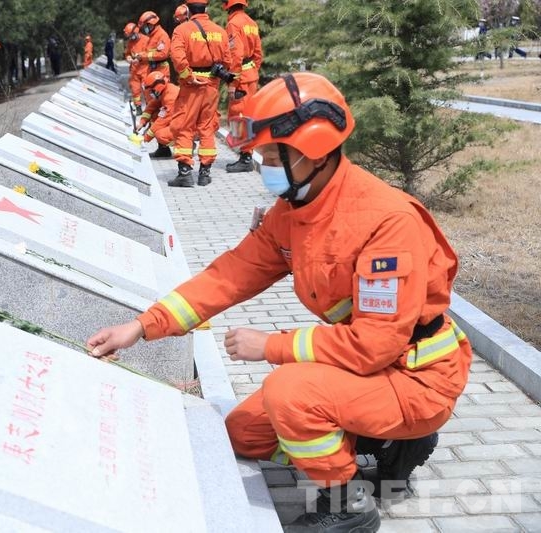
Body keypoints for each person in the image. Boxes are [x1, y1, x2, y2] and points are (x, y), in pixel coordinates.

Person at [87, 72, 472, 533]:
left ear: (316, 151)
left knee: (290, 394)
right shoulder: (295, 212)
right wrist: (142, 326)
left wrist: (271, 346)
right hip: (362, 369)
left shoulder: (386, 222)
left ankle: (348, 505)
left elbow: (374, 345)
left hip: (415, 377)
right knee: (244, 433)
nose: (264, 166)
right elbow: (229, 276)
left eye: (273, 156)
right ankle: (380, 442)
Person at [166, 0, 231, 187]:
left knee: (184, 126)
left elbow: (177, 56)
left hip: (191, 86)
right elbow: (227, 60)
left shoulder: (182, 30)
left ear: (187, 10)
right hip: (211, 85)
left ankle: (185, 172)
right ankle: (204, 173)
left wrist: (188, 76)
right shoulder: (220, 31)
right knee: (207, 127)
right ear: (206, 9)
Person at [223, 0, 262, 173]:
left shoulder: (233, 23)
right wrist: (253, 70)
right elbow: (258, 53)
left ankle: (245, 157)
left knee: (238, 117)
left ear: (228, 5)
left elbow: (236, 55)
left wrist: (233, 82)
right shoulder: (251, 23)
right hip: (250, 75)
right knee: (248, 115)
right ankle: (245, 154)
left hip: (241, 79)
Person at [138, 71, 180, 158]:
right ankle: (163, 151)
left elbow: (162, 120)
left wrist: (145, 138)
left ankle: (186, 143)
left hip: (188, 126)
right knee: (155, 115)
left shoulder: (170, 97)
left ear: (158, 86)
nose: (151, 92)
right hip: (179, 121)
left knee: (160, 135)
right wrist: (142, 122)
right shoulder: (165, 90)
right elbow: (151, 106)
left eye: (151, 89)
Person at [135, 11, 171, 80]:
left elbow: (163, 54)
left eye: (145, 26)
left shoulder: (162, 35)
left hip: (161, 72)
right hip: (152, 70)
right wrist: (140, 57)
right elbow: (148, 52)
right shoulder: (151, 36)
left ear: (151, 24)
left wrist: (143, 56)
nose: (144, 29)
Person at [124, 22, 149, 115]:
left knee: (147, 89)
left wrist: (140, 57)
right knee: (135, 90)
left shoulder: (146, 40)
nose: (131, 37)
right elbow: (127, 53)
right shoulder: (130, 43)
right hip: (134, 71)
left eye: (131, 35)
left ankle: (150, 107)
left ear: (136, 31)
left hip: (145, 69)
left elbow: (151, 53)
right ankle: (138, 107)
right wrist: (128, 58)